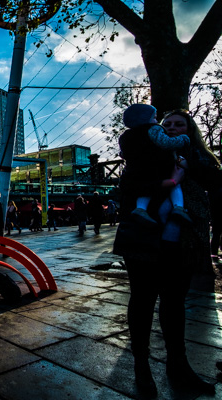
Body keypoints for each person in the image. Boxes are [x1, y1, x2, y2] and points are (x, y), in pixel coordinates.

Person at [114, 109, 220, 397]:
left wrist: (188, 163)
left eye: (178, 124)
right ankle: (141, 365)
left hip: (182, 242)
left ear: (190, 130)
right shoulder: (146, 154)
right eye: (167, 124)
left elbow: (214, 181)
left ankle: (178, 364)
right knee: (143, 300)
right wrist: (169, 181)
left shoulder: (199, 158)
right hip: (142, 241)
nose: (171, 128)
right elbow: (128, 186)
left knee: (174, 303)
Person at [120, 104, 191, 227]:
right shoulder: (153, 129)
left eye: (179, 124)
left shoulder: (125, 136)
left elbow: (124, 153)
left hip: (140, 173)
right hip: (160, 170)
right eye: (154, 117)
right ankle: (179, 208)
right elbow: (165, 142)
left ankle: (140, 209)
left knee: (145, 192)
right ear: (145, 119)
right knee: (175, 187)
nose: (156, 121)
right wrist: (183, 139)